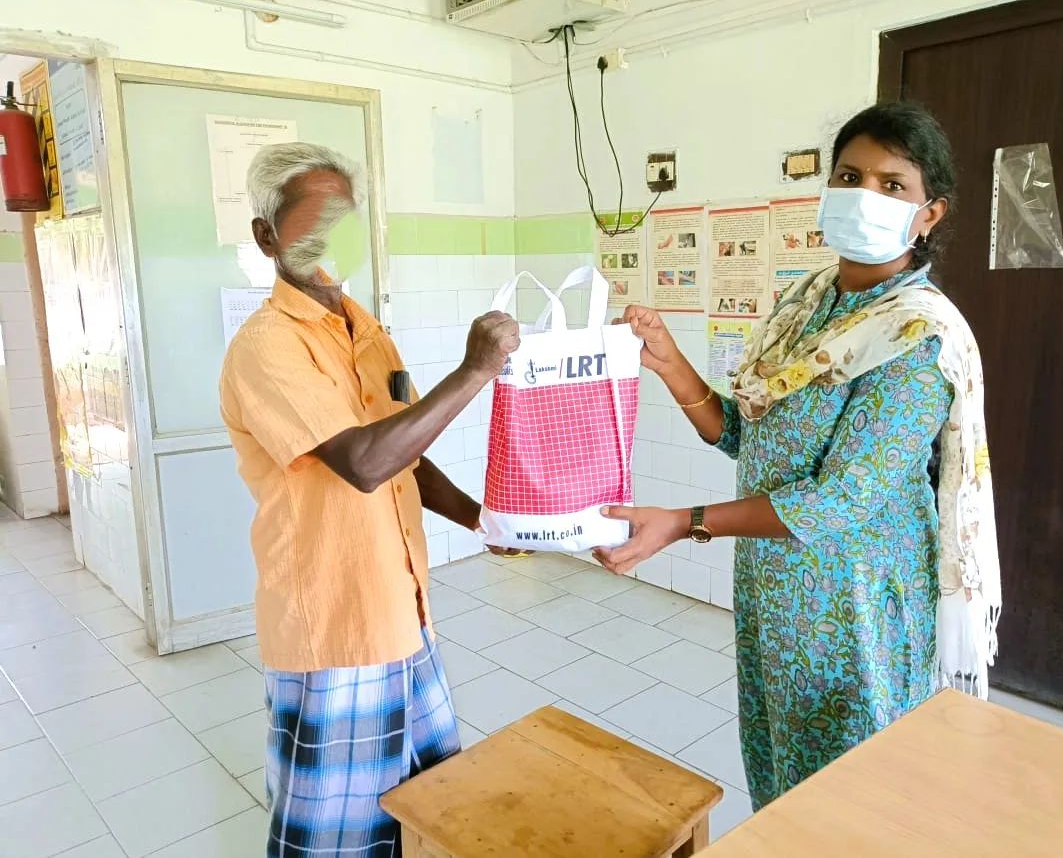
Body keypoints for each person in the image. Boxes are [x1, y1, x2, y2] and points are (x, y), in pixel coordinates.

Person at [593, 103, 1000, 808]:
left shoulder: (918, 337)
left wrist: (684, 522)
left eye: (892, 185)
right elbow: (746, 436)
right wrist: (670, 363)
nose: (864, 194)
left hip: (856, 603)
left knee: (853, 792)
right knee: (778, 765)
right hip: (774, 590)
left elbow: (843, 496)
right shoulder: (805, 302)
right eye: (849, 175)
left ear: (929, 214)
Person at [219, 142, 520, 856]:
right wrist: (475, 370)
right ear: (266, 236)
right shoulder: (266, 346)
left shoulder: (366, 329)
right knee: (335, 836)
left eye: (345, 218)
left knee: (427, 807)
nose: (334, 234)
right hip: (335, 628)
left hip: (404, 611)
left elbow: (404, 453)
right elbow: (363, 461)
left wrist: (483, 519)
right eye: (313, 218)